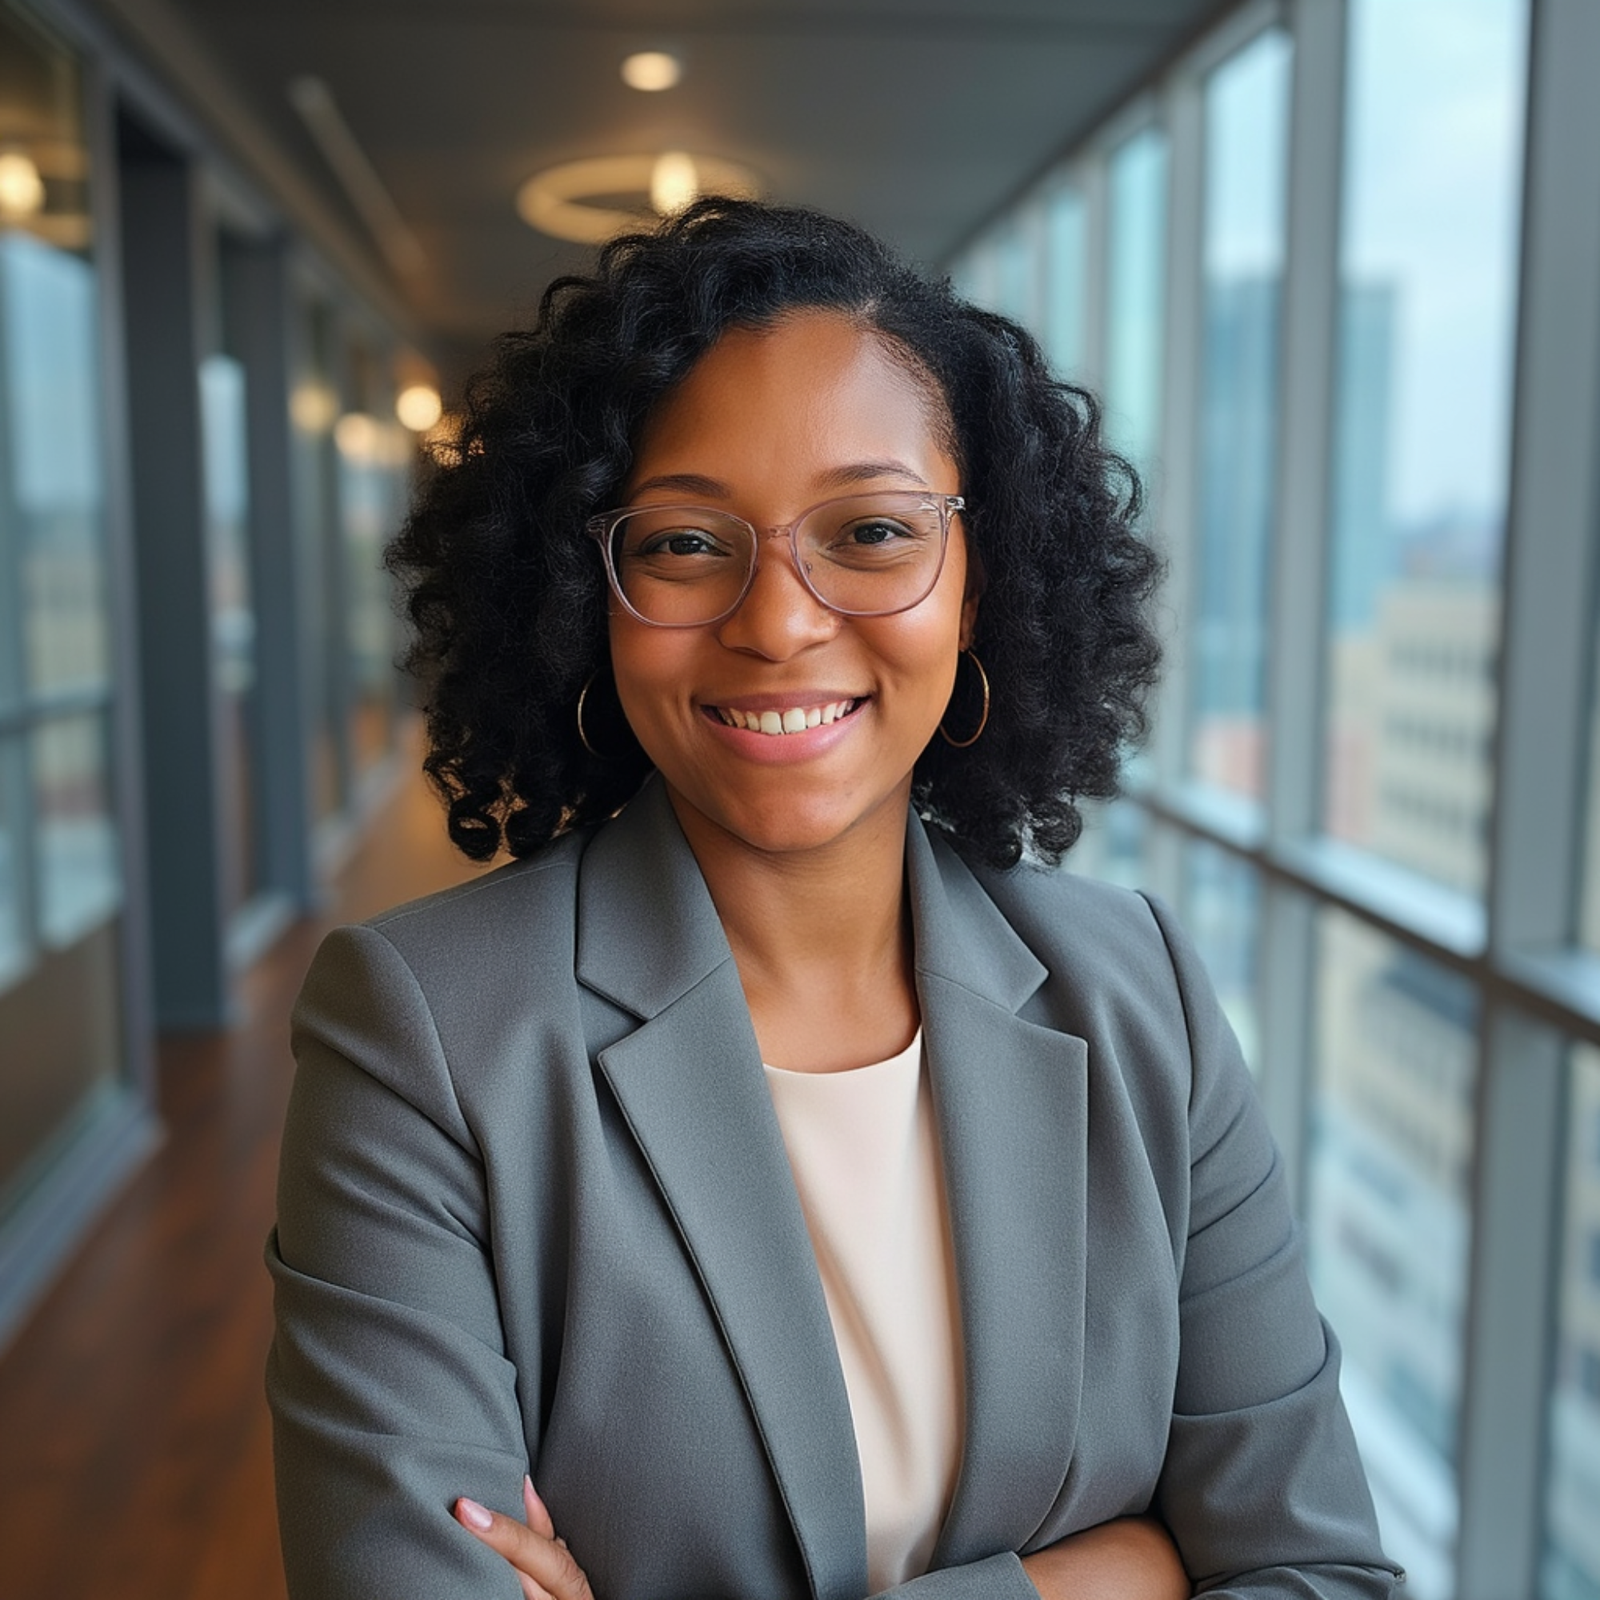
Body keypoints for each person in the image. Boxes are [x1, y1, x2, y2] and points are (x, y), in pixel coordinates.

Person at [266, 198, 1401, 1600]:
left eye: (869, 530)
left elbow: (1320, 1575)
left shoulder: (1139, 992)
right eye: (686, 543)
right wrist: (1096, 1579)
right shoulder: (424, 1032)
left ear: (981, 585)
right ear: (585, 594)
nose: (781, 622)